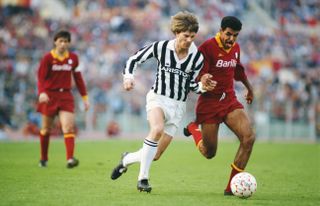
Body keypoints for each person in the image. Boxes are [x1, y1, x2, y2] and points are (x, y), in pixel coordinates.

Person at [110, 11, 216, 192]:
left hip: (178, 107)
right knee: (157, 129)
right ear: (176, 32)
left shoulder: (197, 57)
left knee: (156, 155)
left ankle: (126, 159)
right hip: (157, 97)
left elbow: (191, 85)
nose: (189, 40)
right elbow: (134, 59)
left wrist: (204, 87)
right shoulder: (161, 47)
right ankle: (142, 179)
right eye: (185, 36)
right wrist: (128, 77)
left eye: (192, 36)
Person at [183, 16, 255, 196]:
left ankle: (232, 187)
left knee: (248, 138)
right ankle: (193, 128)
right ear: (221, 30)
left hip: (229, 100)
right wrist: (204, 78)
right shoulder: (206, 48)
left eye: (235, 36)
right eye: (229, 34)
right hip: (209, 104)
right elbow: (198, 73)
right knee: (209, 153)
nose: (231, 39)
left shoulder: (236, 48)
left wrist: (249, 88)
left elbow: (238, 70)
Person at [37, 30, 90, 168]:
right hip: (49, 96)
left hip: (66, 96)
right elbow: (41, 78)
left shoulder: (73, 58)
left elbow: (78, 79)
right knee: (46, 129)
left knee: (68, 127)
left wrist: (85, 98)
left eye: (66, 41)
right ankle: (43, 159)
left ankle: (70, 159)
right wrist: (42, 92)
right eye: (60, 41)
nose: (63, 44)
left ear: (69, 43)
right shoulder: (47, 58)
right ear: (55, 42)